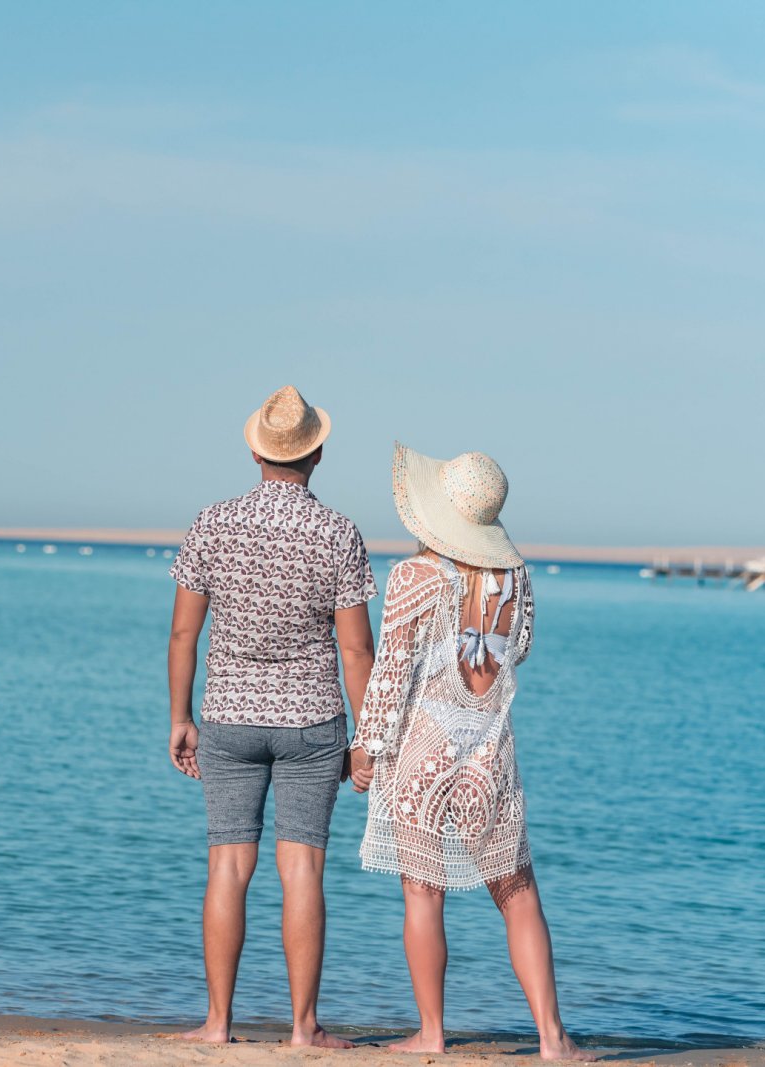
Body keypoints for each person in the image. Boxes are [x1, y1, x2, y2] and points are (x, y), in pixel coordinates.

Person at [348, 443, 595, 1060]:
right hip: (490, 745)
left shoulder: (414, 577)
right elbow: (520, 650)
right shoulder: (517, 579)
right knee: (518, 892)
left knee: (423, 893)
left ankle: (431, 1036)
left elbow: (391, 673)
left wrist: (367, 747)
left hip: (424, 744)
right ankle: (552, 1039)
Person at [167, 385, 377, 1048]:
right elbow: (355, 647)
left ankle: (218, 1022)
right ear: (317, 454)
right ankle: (302, 1028)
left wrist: (180, 715)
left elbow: (182, 635)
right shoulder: (338, 532)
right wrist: (367, 737)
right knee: (302, 870)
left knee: (227, 865)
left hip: (228, 714)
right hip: (312, 722)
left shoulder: (213, 521)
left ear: (256, 449)